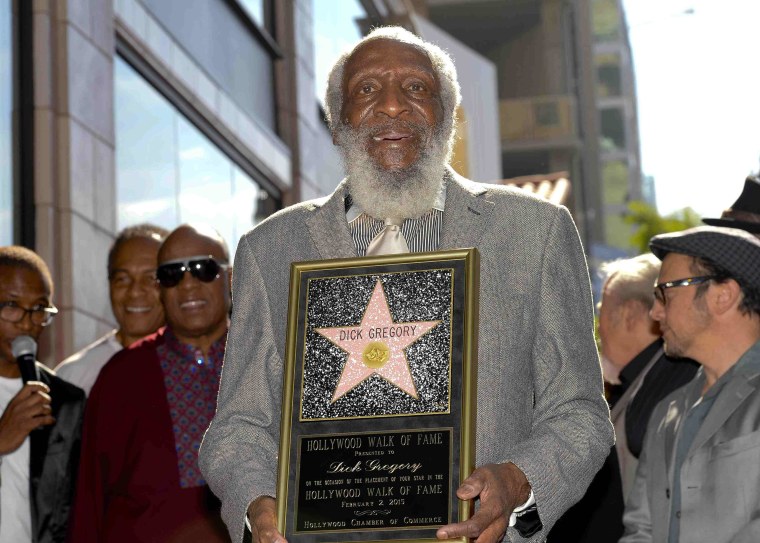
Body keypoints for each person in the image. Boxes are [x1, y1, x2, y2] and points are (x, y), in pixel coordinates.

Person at [199, 26, 612, 543]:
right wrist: (258, 505)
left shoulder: (535, 233)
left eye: (416, 88)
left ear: (447, 116)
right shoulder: (271, 250)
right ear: (336, 122)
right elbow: (238, 427)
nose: (392, 106)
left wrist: (519, 480)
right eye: (366, 90)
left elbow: (579, 412)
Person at [68, 225, 232, 542]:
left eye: (203, 269)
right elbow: (90, 496)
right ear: (161, 289)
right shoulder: (122, 375)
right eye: (172, 275)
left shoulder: (266, 358)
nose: (188, 285)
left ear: (231, 276)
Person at [621, 226, 760, 542]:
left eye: (665, 293)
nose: (655, 312)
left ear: (722, 295)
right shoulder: (667, 412)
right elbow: (640, 529)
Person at [0, 246, 85, 543]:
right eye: (11, 305)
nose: (26, 323)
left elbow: (72, 508)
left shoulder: (67, 401)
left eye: (38, 309)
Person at [597, 254, 697, 496]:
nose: (598, 328)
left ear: (630, 314)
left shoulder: (671, 384)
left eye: (602, 310)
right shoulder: (643, 378)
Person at [55, 223, 168, 395]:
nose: (135, 291)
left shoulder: (201, 368)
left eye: (151, 278)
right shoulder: (74, 377)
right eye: (122, 279)